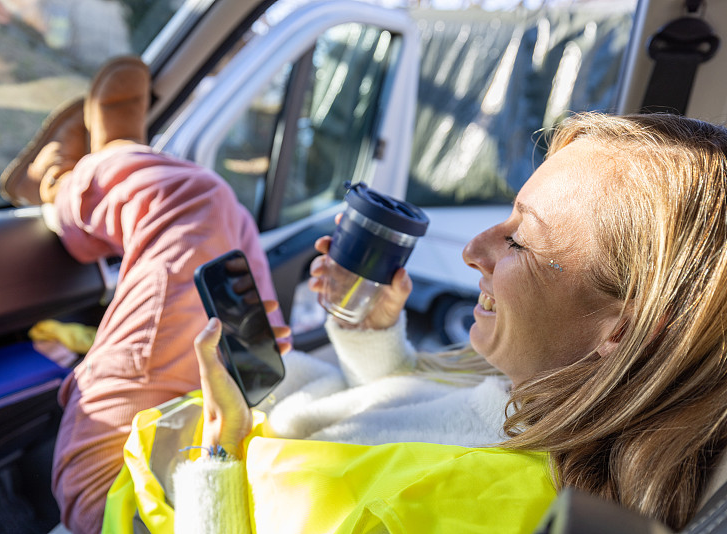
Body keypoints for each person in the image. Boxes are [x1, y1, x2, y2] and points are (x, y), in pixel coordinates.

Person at [186, 111, 727, 533]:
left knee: (186, 199)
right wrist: (372, 331)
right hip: (277, 411)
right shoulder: (524, 396)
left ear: (623, 329)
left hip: (197, 486)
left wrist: (219, 449)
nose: (472, 250)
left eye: (518, 240)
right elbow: (407, 423)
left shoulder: (477, 504)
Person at [0, 56, 284, 533]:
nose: (461, 251)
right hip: (265, 440)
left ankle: (66, 183)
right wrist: (373, 333)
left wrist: (221, 448)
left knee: (197, 200)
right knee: (233, 236)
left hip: (135, 498)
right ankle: (95, 171)